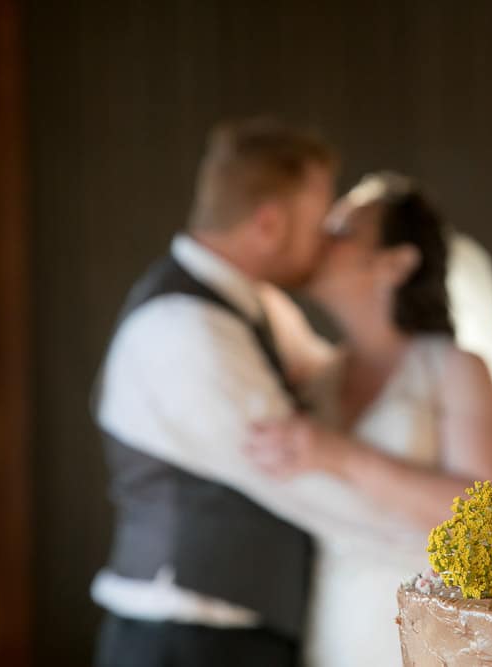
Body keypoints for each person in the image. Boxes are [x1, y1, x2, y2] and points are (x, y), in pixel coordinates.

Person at [91, 119, 410, 666]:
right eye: (320, 219)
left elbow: (336, 384)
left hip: (226, 634)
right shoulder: (184, 329)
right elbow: (301, 481)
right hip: (187, 639)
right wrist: (444, 541)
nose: (327, 237)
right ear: (268, 223)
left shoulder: (251, 306)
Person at [245, 172, 492, 667]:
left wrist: (338, 456)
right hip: (335, 620)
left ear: (396, 262)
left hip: (428, 627)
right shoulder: (321, 376)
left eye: (344, 231)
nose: (322, 240)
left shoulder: (452, 368)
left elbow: (490, 522)